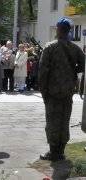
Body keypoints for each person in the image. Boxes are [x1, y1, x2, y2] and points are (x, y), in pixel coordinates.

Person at [39, 18, 85, 161]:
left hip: (52, 91)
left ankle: (53, 152)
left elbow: (43, 72)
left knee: (52, 121)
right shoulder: (75, 48)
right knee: (64, 120)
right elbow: (84, 65)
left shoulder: (50, 47)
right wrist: (72, 71)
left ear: (58, 29)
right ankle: (61, 150)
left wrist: (43, 92)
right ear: (69, 31)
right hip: (68, 91)